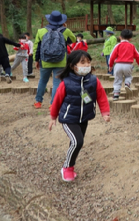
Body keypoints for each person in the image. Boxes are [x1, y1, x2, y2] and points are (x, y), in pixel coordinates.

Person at [48, 50, 110, 182]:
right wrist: (53, 117)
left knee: (76, 143)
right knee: (78, 141)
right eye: (82, 62)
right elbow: (57, 100)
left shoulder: (93, 80)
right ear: (73, 66)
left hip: (84, 118)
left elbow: (101, 96)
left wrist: (105, 113)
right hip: (68, 118)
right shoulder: (66, 82)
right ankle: (67, 168)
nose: (86, 65)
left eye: (88, 62)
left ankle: (70, 166)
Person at [33, 10, 77, 109]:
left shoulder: (41, 31)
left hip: (45, 61)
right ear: (61, 21)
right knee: (56, 83)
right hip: (60, 61)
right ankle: (53, 104)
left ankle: (38, 102)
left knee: (43, 81)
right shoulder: (65, 31)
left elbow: (37, 47)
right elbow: (73, 39)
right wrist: (65, 28)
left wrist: (36, 60)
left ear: (49, 20)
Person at [108, 29, 139, 100]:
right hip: (128, 65)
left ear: (120, 37)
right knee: (128, 76)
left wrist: (110, 66)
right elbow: (137, 56)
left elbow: (112, 56)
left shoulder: (118, 45)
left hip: (118, 65)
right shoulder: (132, 46)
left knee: (117, 79)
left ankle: (116, 94)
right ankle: (127, 84)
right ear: (130, 38)